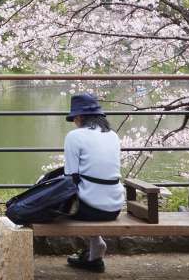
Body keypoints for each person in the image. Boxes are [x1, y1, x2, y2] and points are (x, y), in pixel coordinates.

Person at [63, 93, 125, 273]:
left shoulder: (74, 136)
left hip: (90, 210)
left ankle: (93, 245)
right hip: (114, 207)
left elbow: (70, 176)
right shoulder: (113, 135)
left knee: (59, 204)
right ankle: (94, 253)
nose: (74, 121)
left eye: (74, 117)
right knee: (90, 190)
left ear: (80, 117)